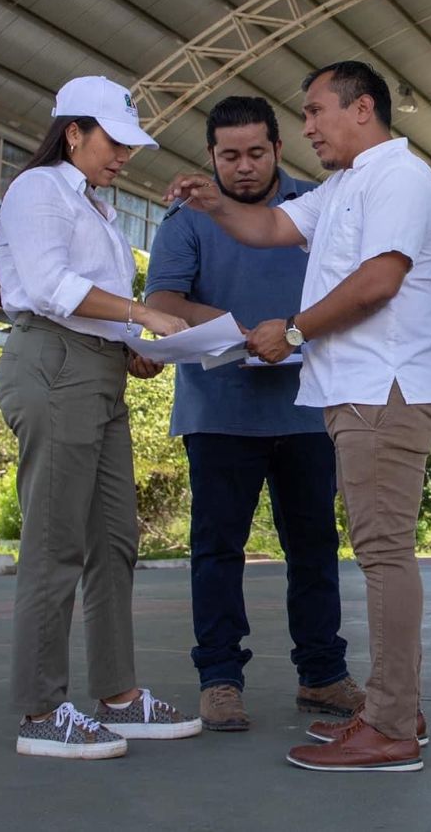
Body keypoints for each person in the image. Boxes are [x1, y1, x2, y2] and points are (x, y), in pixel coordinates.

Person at [165, 61, 431, 773]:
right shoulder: (345, 186)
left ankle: (387, 726)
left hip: (384, 387)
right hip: (352, 390)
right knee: (376, 553)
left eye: (317, 110)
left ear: (362, 109)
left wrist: (292, 331)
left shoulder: (398, 177)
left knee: (384, 556)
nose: (309, 126)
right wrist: (212, 204)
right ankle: (396, 705)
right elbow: (267, 224)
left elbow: (380, 280)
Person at [0, 75, 203, 759]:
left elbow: (94, 304)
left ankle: (118, 693)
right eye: (114, 142)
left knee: (115, 540)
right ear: (73, 131)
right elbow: (52, 287)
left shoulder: (99, 212)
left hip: (100, 373)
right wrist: (140, 313)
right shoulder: (38, 190)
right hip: (54, 366)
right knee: (56, 542)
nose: (124, 158)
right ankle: (42, 708)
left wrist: (134, 348)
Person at [143, 96, 362, 731]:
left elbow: (349, 290)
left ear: (278, 150)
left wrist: (290, 333)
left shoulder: (315, 208)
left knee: (316, 548)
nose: (243, 167)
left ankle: (322, 676)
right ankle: (219, 679)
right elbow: (162, 298)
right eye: (229, 156)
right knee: (216, 550)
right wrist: (236, 331)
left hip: (306, 409)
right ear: (210, 157)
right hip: (217, 412)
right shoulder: (188, 218)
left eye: (255, 153)